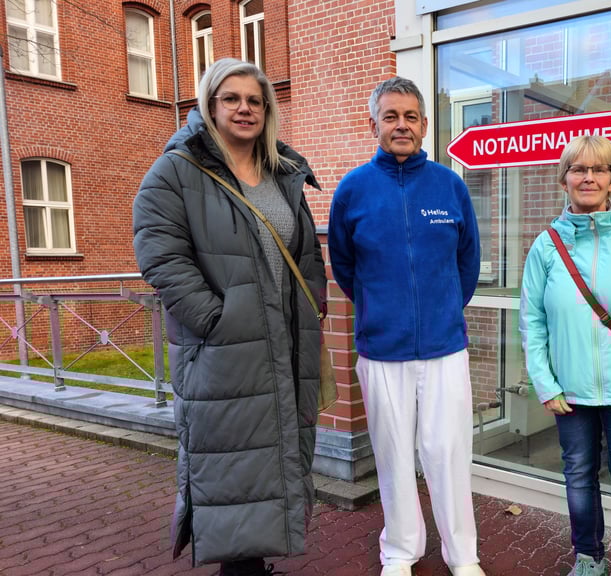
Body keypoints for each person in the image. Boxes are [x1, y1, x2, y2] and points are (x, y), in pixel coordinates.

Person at [133, 58, 325, 576]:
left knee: (273, 454)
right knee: (233, 462)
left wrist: (313, 308)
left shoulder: (281, 172)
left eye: (255, 101)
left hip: (284, 342)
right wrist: (215, 320)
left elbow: (305, 256)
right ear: (210, 105)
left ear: (267, 110)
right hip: (224, 347)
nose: (245, 109)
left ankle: (254, 565)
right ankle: (239, 570)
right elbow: (159, 254)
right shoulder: (177, 170)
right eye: (232, 98)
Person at [327, 77, 484, 576]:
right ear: (373, 123)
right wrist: (383, 310)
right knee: (393, 456)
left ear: (424, 124)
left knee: (448, 454)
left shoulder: (449, 186)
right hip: (382, 350)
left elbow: (468, 263)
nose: (401, 125)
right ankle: (400, 549)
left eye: (410, 116)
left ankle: (463, 556)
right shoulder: (353, 190)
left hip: (444, 349)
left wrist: (439, 312)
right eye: (390, 116)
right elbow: (345, 268)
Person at [519, 135, 611, 576]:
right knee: (579, 479)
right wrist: (544, 384)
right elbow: (532, 321)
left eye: (598, 169)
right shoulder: (546, 245)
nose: (588, 177)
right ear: (563, 179)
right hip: (570, 392)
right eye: (578, 169)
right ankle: (589, 558)